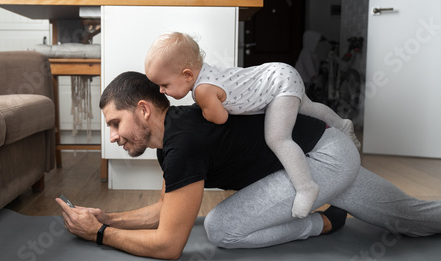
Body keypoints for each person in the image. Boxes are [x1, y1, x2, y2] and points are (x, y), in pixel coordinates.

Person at [56, 71, 441, 260]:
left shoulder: (183, 142)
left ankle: (323, 221)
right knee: (411, 218)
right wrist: (108, 218)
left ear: (142, 110)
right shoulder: (174, 139)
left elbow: (170, 243)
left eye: (114, 123)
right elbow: (167, 211)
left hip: (322, 158)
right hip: (316, 157)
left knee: (222, 227)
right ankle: (332, 211)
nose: (112, 136)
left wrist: (98, 236)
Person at [144, 32, 360, 218]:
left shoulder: (202, 90)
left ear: (187, 74)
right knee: (309, 108)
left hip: (277, 85)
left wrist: (204, 109)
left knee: (277, 138)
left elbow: (219, 118)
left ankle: (306, 187)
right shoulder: (205, 73)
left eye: (165, 85)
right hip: (279, 73)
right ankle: (342, 124)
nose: (162, 91)